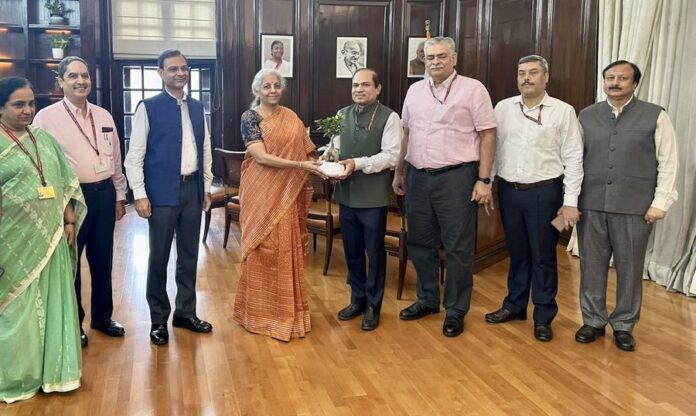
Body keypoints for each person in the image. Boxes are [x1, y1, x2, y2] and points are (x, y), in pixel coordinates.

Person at [393, 36, 497, 338]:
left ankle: (455, 309)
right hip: (417, 176)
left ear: (454, 57)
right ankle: (427, 299)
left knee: (457, 247)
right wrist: (399, 171)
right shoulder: (414, 91)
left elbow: (488, 135)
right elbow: (406, 134)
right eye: (429, 57)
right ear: (422, 60)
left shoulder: (473, 89)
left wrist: (484, 179)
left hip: (457, 177)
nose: (435, 61)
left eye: (441, 56)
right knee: (420, 243)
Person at [575, 60, 678, 352]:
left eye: (622, 78)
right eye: (610, 78)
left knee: (630, 268)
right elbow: (574, 160)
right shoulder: (587, 115)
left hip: (635, 207)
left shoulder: (655, 116)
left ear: (635, 83)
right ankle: (592, 320)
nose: (615, 83)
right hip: (591, 204)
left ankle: (623, 324)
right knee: (591, 267)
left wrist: (661, 202)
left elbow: (669, 162)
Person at [484, 55, 583, 342]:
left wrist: (570, 201)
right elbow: (493, 149)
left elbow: (574, 159)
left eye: (533, 72)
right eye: (521, 73)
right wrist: (488, 183)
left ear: (546, 77)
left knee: (543, 256)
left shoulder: (563, 111)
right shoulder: (503, 108)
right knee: (516, 253)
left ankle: (543, 315)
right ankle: (514, 306)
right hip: (509, 192)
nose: (526, 77)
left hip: (547, 194)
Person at [0, 76, 87, 403]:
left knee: (52, 303)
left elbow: (62, 180)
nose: (27, 111)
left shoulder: (43, 139)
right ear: (1, 108)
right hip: (11, 242)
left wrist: (68, 219)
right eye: (18, 104)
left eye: (31, 104)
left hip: (50, 238)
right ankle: (17, 375)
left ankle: (55, 373)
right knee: (16, 309)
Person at [34, 56, 127, 348]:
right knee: (71, 264)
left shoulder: (104, 115)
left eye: (85, 75)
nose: (80, 81)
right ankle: (74, 323)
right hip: (71, 200)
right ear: (60, 81)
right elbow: (42, 167)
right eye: (72, 76)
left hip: (104, 194)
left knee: (102, 260)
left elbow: (115, 158)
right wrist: (62, 207)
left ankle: (102, 317)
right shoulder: (45, 118)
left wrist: (120, 194)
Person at [124, 50, 213, 346]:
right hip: (161, 193)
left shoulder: (199, 107)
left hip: (192, 190)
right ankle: (158, 319)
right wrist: (140, 194)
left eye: (184, 68)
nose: (180, 73)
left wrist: (206, 188)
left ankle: (186, 313)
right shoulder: (147, 107)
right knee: (158, 257)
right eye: (173, 68)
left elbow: (205, 151)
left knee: (189, 256)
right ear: (160, 73)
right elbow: (134, 156)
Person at [233, 69, 325, 341]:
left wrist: (326, 160)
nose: (272, 90)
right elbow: (260, 157)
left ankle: (286, 314)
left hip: (288, 192)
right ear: (257, 90)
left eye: (276, 86)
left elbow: (309, 151)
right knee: (262, 249)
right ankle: (257, 314)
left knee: (286, 249)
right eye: (266, 86)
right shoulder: (249, 117)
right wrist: (300, 165)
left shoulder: (291, 117)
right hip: (260, 191)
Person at [330, 68, 401, 331]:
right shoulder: (341, 114)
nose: (359, 89)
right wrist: (329, 159)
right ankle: (357, 299)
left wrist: (356, 163)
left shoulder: (390, 117)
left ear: (377, 88)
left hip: (373, 198)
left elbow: (392, 157)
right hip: (346, 195)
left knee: (374, 253)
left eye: (365, 85)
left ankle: (373, 305)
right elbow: (335, 147)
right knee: (351, 252)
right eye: (355, 85)